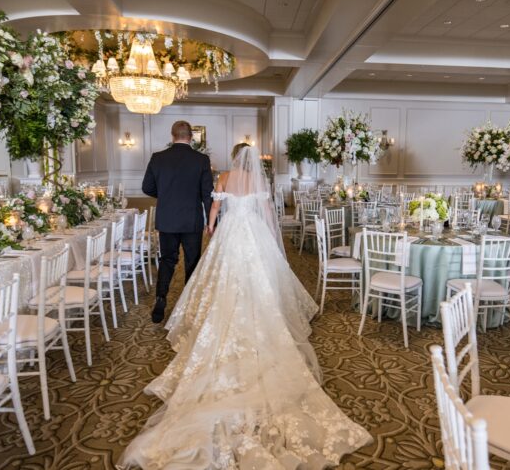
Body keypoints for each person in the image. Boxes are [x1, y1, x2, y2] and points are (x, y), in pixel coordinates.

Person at [121, 146, 371, 469]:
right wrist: (270, 237)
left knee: (220, 280)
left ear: (234, 157)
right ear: (251, 160)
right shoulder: (258, 181)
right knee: (259, 282)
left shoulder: (224, 176)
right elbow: (268, 215)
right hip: (252, 234)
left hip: (230, 235)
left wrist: (211, 227)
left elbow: (214, 207)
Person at [142, 120, 214, 323]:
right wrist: (211, 221)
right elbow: (207, 194)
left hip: (167, 219)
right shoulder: (201, 160)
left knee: (167, 260)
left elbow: (147, 187)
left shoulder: (158, 158)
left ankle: (160, 299)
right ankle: (189, 305)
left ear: (172, 135)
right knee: (192, 262)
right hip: (191, 220)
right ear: (191, 137)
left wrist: (164, 195)